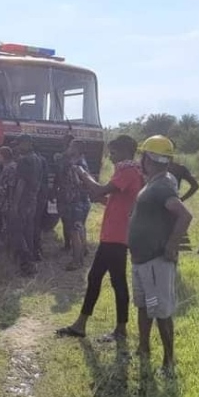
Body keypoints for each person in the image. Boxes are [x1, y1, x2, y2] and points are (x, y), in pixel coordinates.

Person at [56, 135, 144, 341]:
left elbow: (98, 189)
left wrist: (83, 173)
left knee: (110, 280)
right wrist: (102, 198)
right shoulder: (132, 172)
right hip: (116, 234)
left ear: (125, 152)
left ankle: (112, 328)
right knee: (104, 279)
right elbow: (116, 199)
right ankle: (86, 324)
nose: (111, 157)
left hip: (116, 236)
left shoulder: (128, 172)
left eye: (114, 153)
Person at [127, 136, 193, 376]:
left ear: (148, 158)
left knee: (161, 312)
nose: (139, 160)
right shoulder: (155, 182)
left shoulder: (163, 185)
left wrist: (171, 245)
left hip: (155, 262)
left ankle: (168, 362)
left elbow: (184, 215)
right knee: (145, 306)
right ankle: (143, 348)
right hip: (142, 261)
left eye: (142, 156)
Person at [4, 136, 42, 277]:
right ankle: (30, 263)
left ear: (28, 143)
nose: (18, 147)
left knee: (18, 233)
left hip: (23, 201)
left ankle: (27, 264)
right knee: (28, 232)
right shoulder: (38, 159)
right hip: (32, 200)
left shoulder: (23, 160)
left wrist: (15, 204)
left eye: (20, 144)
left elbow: (21, 183)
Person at [55, 138, 92, 271]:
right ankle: (83, 250)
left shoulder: (76, 165)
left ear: (76, 149)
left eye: (71, 146)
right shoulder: (82, 162)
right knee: (80, 228)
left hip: (74, 202)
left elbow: (76, 183)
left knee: (74, 232)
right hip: (82, 201)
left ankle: (77, 261)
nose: (68, 148)